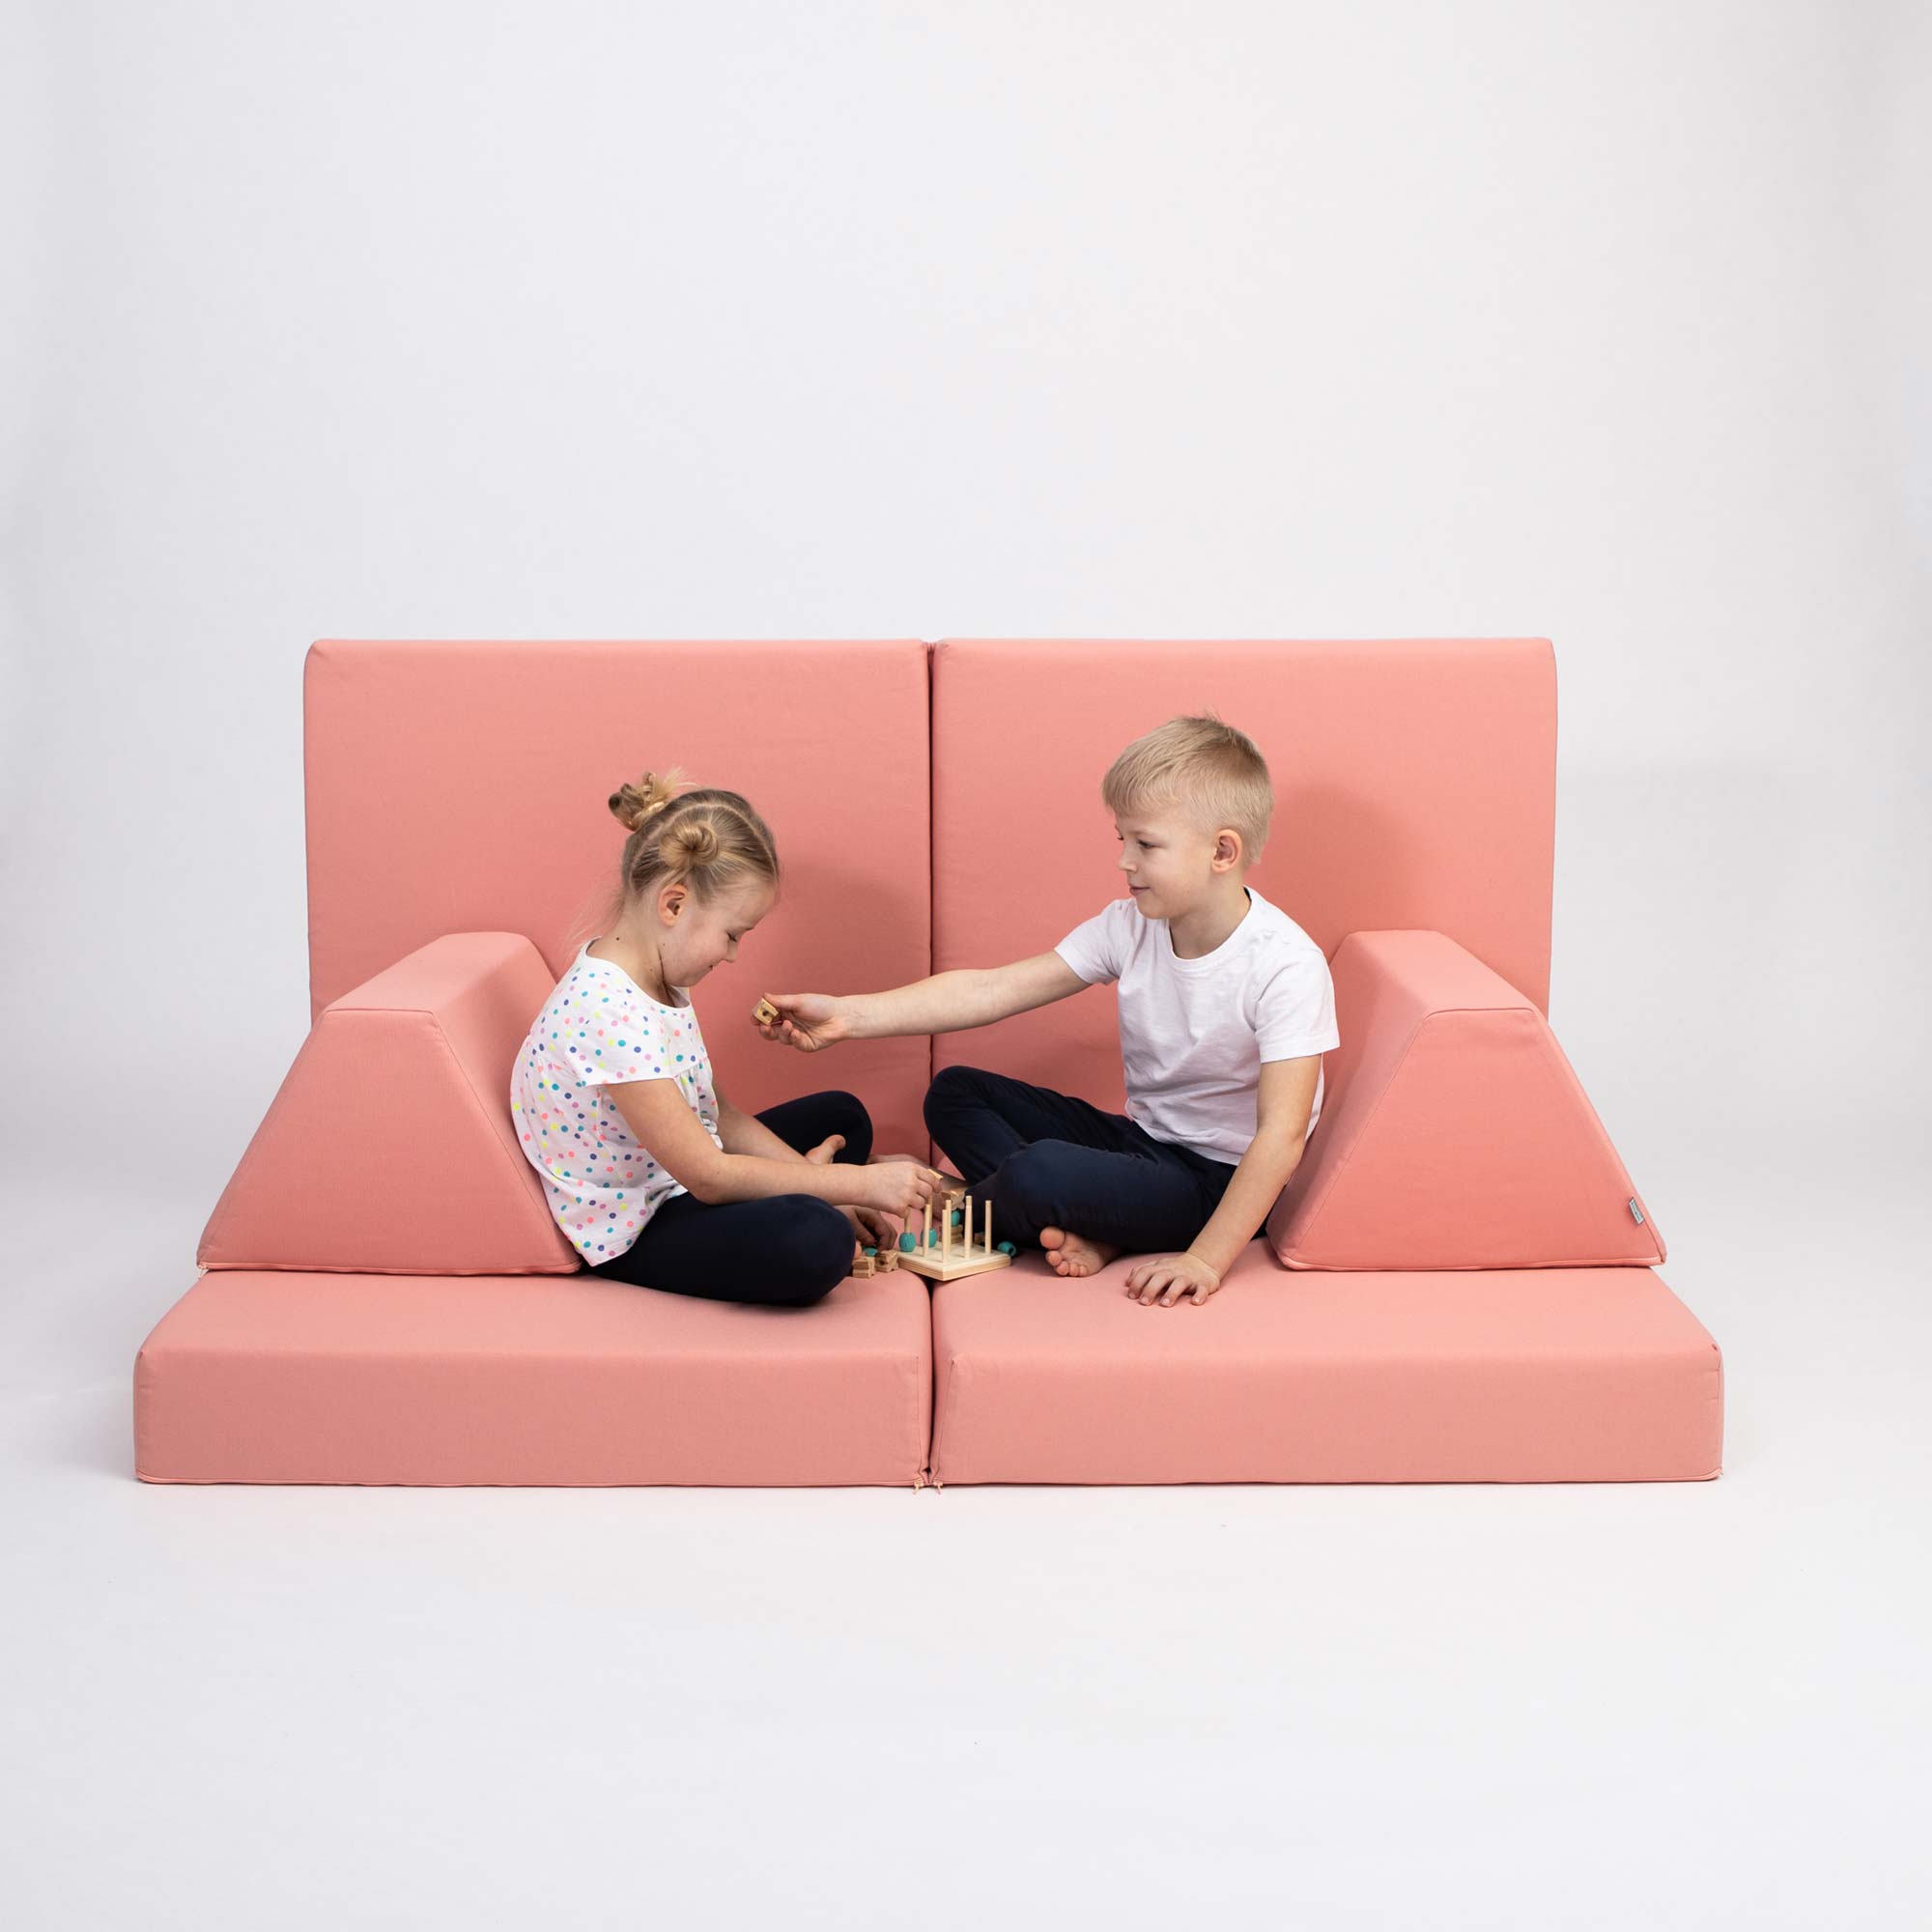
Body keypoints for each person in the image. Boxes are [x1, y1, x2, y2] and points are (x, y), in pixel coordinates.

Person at [756, 714, 1338, 1308]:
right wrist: (849, 1017)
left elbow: (1281, 1136)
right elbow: (992, 990)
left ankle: (980, 1202)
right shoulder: (1131, 926)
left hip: (1217, 1182)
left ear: (1221, 850)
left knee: (1042, 1173)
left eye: (1146, 844)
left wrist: (1205, 1260)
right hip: (1141, 1145)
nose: (1124, 863)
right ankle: (1082, 1220)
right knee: (955, 1092)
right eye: (1122, 841)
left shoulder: (1286, 965)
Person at [511, 765, 940, 1306]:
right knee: (817, 1239)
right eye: (732, 934)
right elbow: (708, 1176)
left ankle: (806, 1187)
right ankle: (811, 1194)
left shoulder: (656, 976)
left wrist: (810, 1181)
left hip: (678, 1174)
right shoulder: (605, 1011)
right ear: (673, 904)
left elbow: (716, 1112)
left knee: (843, 1115)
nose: (734, 955)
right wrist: (850, 1189)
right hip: (640, 1223)